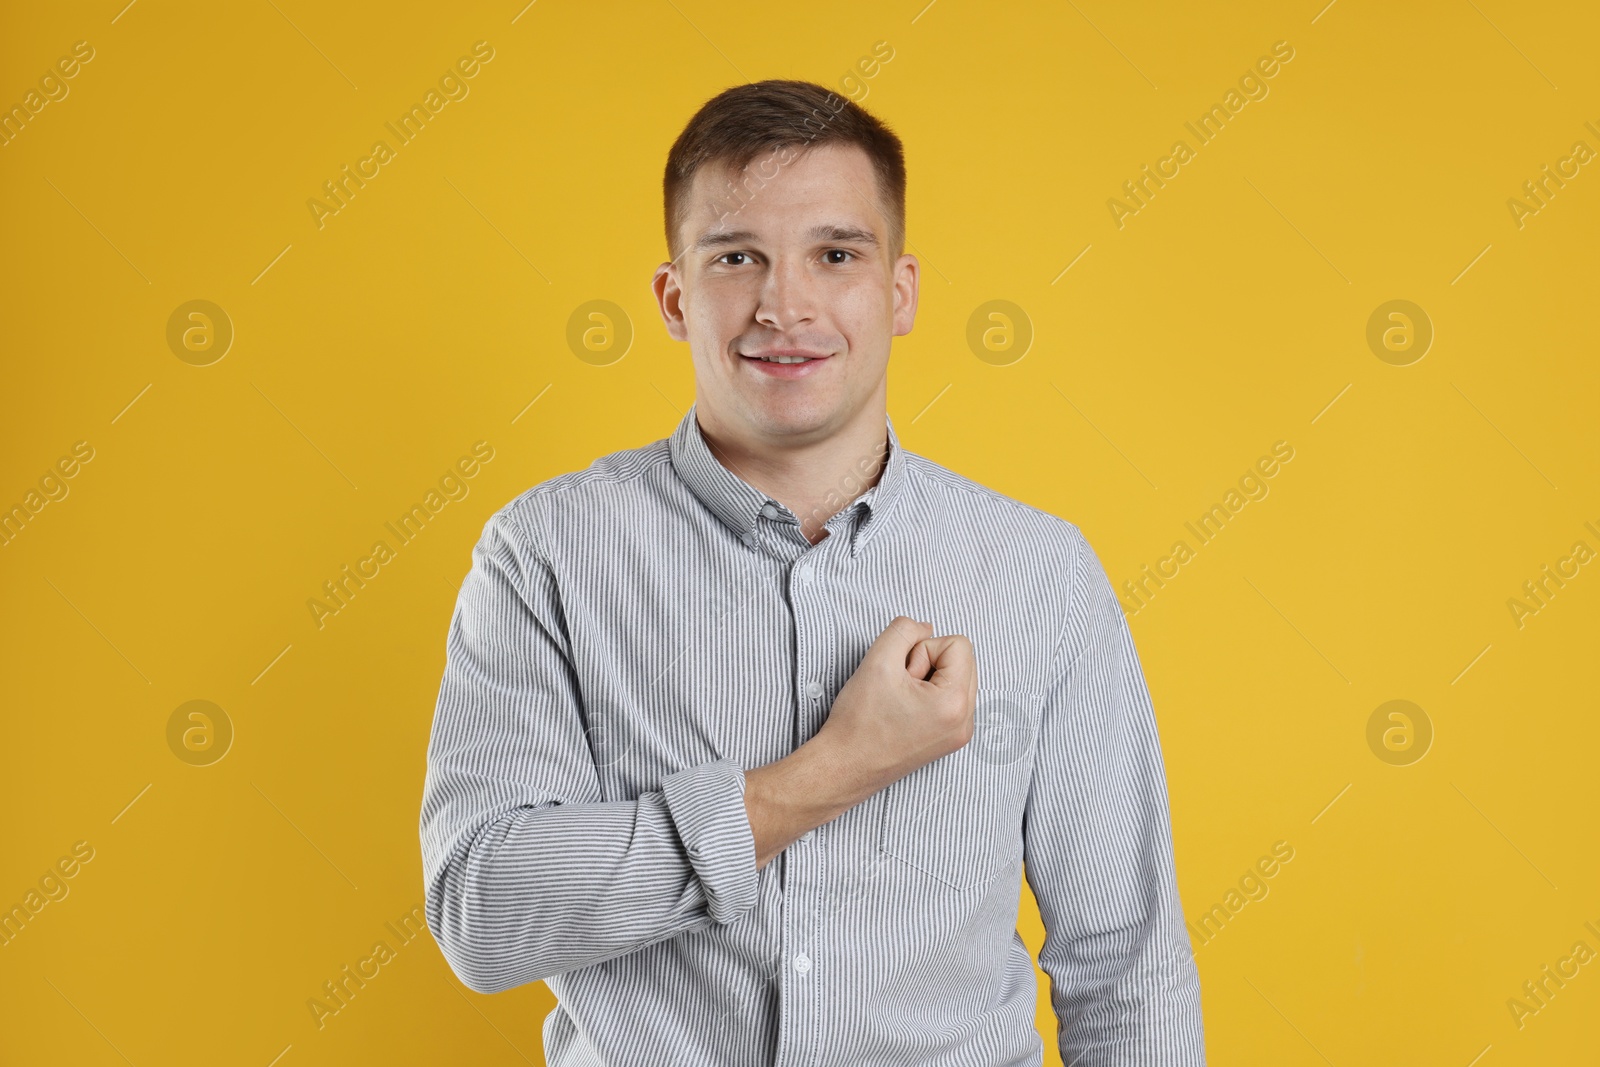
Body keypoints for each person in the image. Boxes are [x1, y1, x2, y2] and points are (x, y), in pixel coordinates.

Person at [419, 78, 1205, 1065]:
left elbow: (1126, 962)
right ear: (673, 297)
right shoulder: (547, 555)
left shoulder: (1036, 572)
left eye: (835, 254)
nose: (784, 304)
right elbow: (485, 914)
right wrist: (835, 769)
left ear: (898, 292)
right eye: (736, 257)